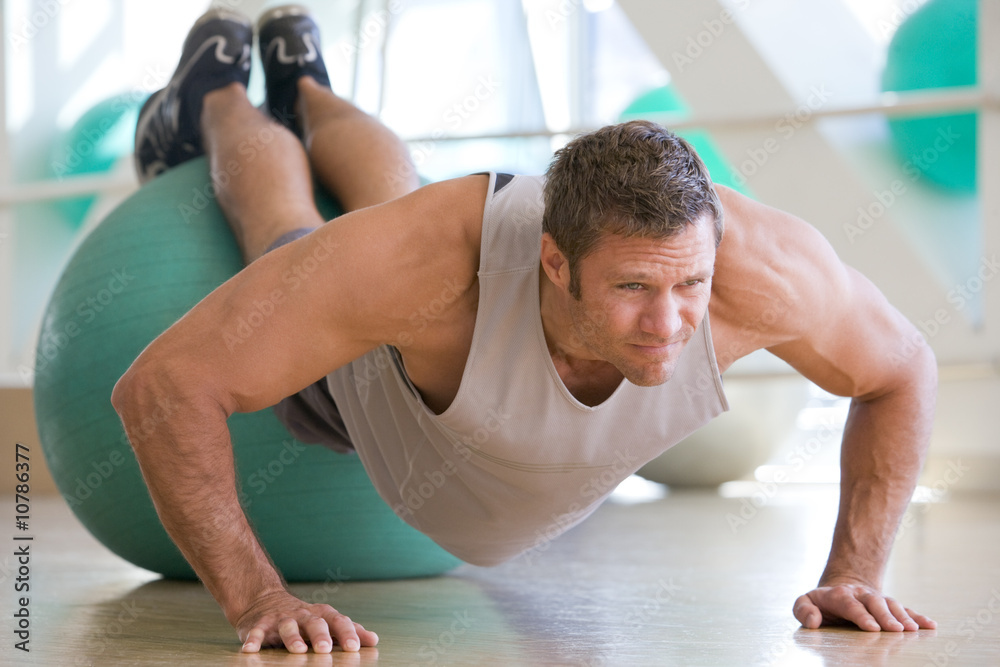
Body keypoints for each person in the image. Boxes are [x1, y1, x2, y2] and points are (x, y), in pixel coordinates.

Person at [112, 5, 939, 655]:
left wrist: (853, 574)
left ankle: (303, 83)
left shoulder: (771, 270)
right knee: (291, 230)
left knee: (393, 191)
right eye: (631, 287)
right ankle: (214, 93)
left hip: (426, 259)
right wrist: (260, 598)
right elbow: (162, 385)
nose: (669, 322)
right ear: (553, 261)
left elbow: (901, 369)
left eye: (691, 283)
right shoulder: (426, 264)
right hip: (380, 374)